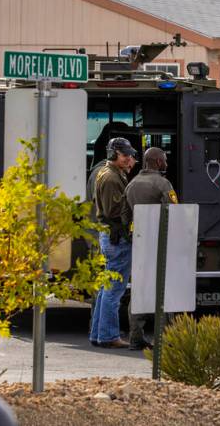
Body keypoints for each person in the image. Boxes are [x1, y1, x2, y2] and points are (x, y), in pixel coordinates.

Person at [123, 146, 177, 350]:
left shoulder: (132, 184)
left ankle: (136, 337)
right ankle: (166, 337)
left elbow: (124, 214)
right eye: (164, 160)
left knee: (139, 291)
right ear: (157, 162)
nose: (166, 163)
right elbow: (175, 211)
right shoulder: (163, 184)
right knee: (164, 290)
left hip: (139, 243)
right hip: (160, 243)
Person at [89, 137, 137, 348]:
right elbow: (115, 211)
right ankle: (108, 336)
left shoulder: (112, 174)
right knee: (114, 290)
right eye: (125, 155)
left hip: (111, 236)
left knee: (106, 288)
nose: (130, 159)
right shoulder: (110, 178)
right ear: (113, 155)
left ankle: (98, 333)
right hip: (116, 237)